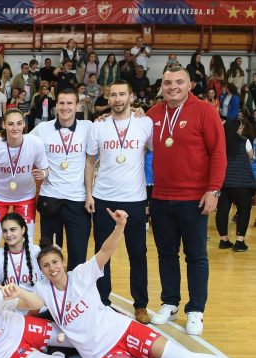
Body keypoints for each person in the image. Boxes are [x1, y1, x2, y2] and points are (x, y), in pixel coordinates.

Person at [2, 208, 256, 358]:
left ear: (63, 262)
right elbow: (31, 302)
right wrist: (17, 293)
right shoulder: (44, 289)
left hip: (124, 330)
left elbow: (105, 251)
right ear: (42, 271)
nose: (52, 268)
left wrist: (120, 227)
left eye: (55, 262)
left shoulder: (80, 274)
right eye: (46, 266)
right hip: (103, 353)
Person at [147, 67, 227, 335]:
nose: (173, 87)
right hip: (161, 197)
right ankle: (170, 302)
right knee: (166, 254)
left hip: (194, 198)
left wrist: (214, 190)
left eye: (179, 82)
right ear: (161, 85)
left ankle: (195, 310)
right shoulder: (153, 114)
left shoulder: (205, 111)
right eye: (168, 82)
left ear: (190, 85)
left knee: (196, 256)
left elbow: (218, 153)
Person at [87, 80, 153, 323]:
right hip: (104, 197)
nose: (117, 99)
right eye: (113, 94)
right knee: (102, 254)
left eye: (122, 94)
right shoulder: (99, 125)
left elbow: (155, 151)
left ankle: (141, 305)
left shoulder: (145, 123)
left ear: (131, 97)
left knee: (138, 253)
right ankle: (102, 301)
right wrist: (89, 193)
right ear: (108, 98)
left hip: (135, 199)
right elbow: (90, 161)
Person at [30, 89, 94, 271]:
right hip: (50, 199)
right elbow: (20, 140)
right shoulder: (43, 129)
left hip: (78, 201)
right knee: (49, 257)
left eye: (69, 103)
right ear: (56, 105)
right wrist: (0, 135)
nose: (65, 107)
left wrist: (135, 111)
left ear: (77, 105)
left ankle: (73, 289)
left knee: (78, 257)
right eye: (62, 103)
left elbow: (113, 122)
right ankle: (51, 289)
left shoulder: (88, 127)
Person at [0, 108, 48, 242]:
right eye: (10, 124)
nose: (15, 128)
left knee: (26, 241)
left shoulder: (35, 143)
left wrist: (43, 173)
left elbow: (45, 169)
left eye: (19, 123)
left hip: (25, 197)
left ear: (24, 124)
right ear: (3, 125)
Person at [216, 120, 255, 252]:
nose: (242, 129)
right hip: (242, 183)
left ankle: (224, 240)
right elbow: (251, 157)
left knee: (222, 211)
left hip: (223, 183)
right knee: (244, 211)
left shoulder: (220, 142)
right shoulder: (244, 141)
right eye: (240, 127)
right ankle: (239, 242)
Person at [0, 212, 41, 290]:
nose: (8, 235)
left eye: (13, 230)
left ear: (23, 229)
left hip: (35, 297)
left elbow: (46, 280)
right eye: (5, 231)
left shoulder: (36, 251)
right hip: (7, 298)